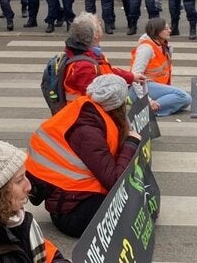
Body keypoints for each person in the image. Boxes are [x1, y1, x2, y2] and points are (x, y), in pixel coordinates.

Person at [26, 75, 141, 238]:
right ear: (118, 104)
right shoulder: (88, 131)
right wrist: (131, 143)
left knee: (135, 203)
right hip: (71, 213)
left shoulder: (88, 111)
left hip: (73, 197)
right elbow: (114, 180)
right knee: (132, 211)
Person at [61, 13, 140, 101]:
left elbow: (106, 71)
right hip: (84, 112)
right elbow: (95, 98)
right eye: (98, 24)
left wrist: (132, 77)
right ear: (95, 35)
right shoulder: (85, 66)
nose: (100, 24)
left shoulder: (90, 53)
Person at [130, 18, 191, 116]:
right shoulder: (146, 49)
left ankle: (149, 106)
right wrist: (147, 101)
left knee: (184, 100)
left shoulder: (162, 44)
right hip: (143, 88)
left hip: (153, 87)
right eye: (166, 29)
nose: (170, 31)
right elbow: (136, 77)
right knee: (183, 97)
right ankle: (147, 109)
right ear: (157, 32)